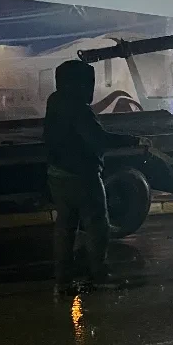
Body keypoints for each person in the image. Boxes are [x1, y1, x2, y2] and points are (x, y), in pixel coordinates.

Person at [43, 60, 147, 295]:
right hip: (82, 176)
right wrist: (134, 140)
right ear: (81, 83)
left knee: (65, 227)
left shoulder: (55, 100)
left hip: (57, 174)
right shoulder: (78, 107)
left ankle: (62, 281)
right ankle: (99, 276)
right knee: (97, 226)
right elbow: (98, 139)